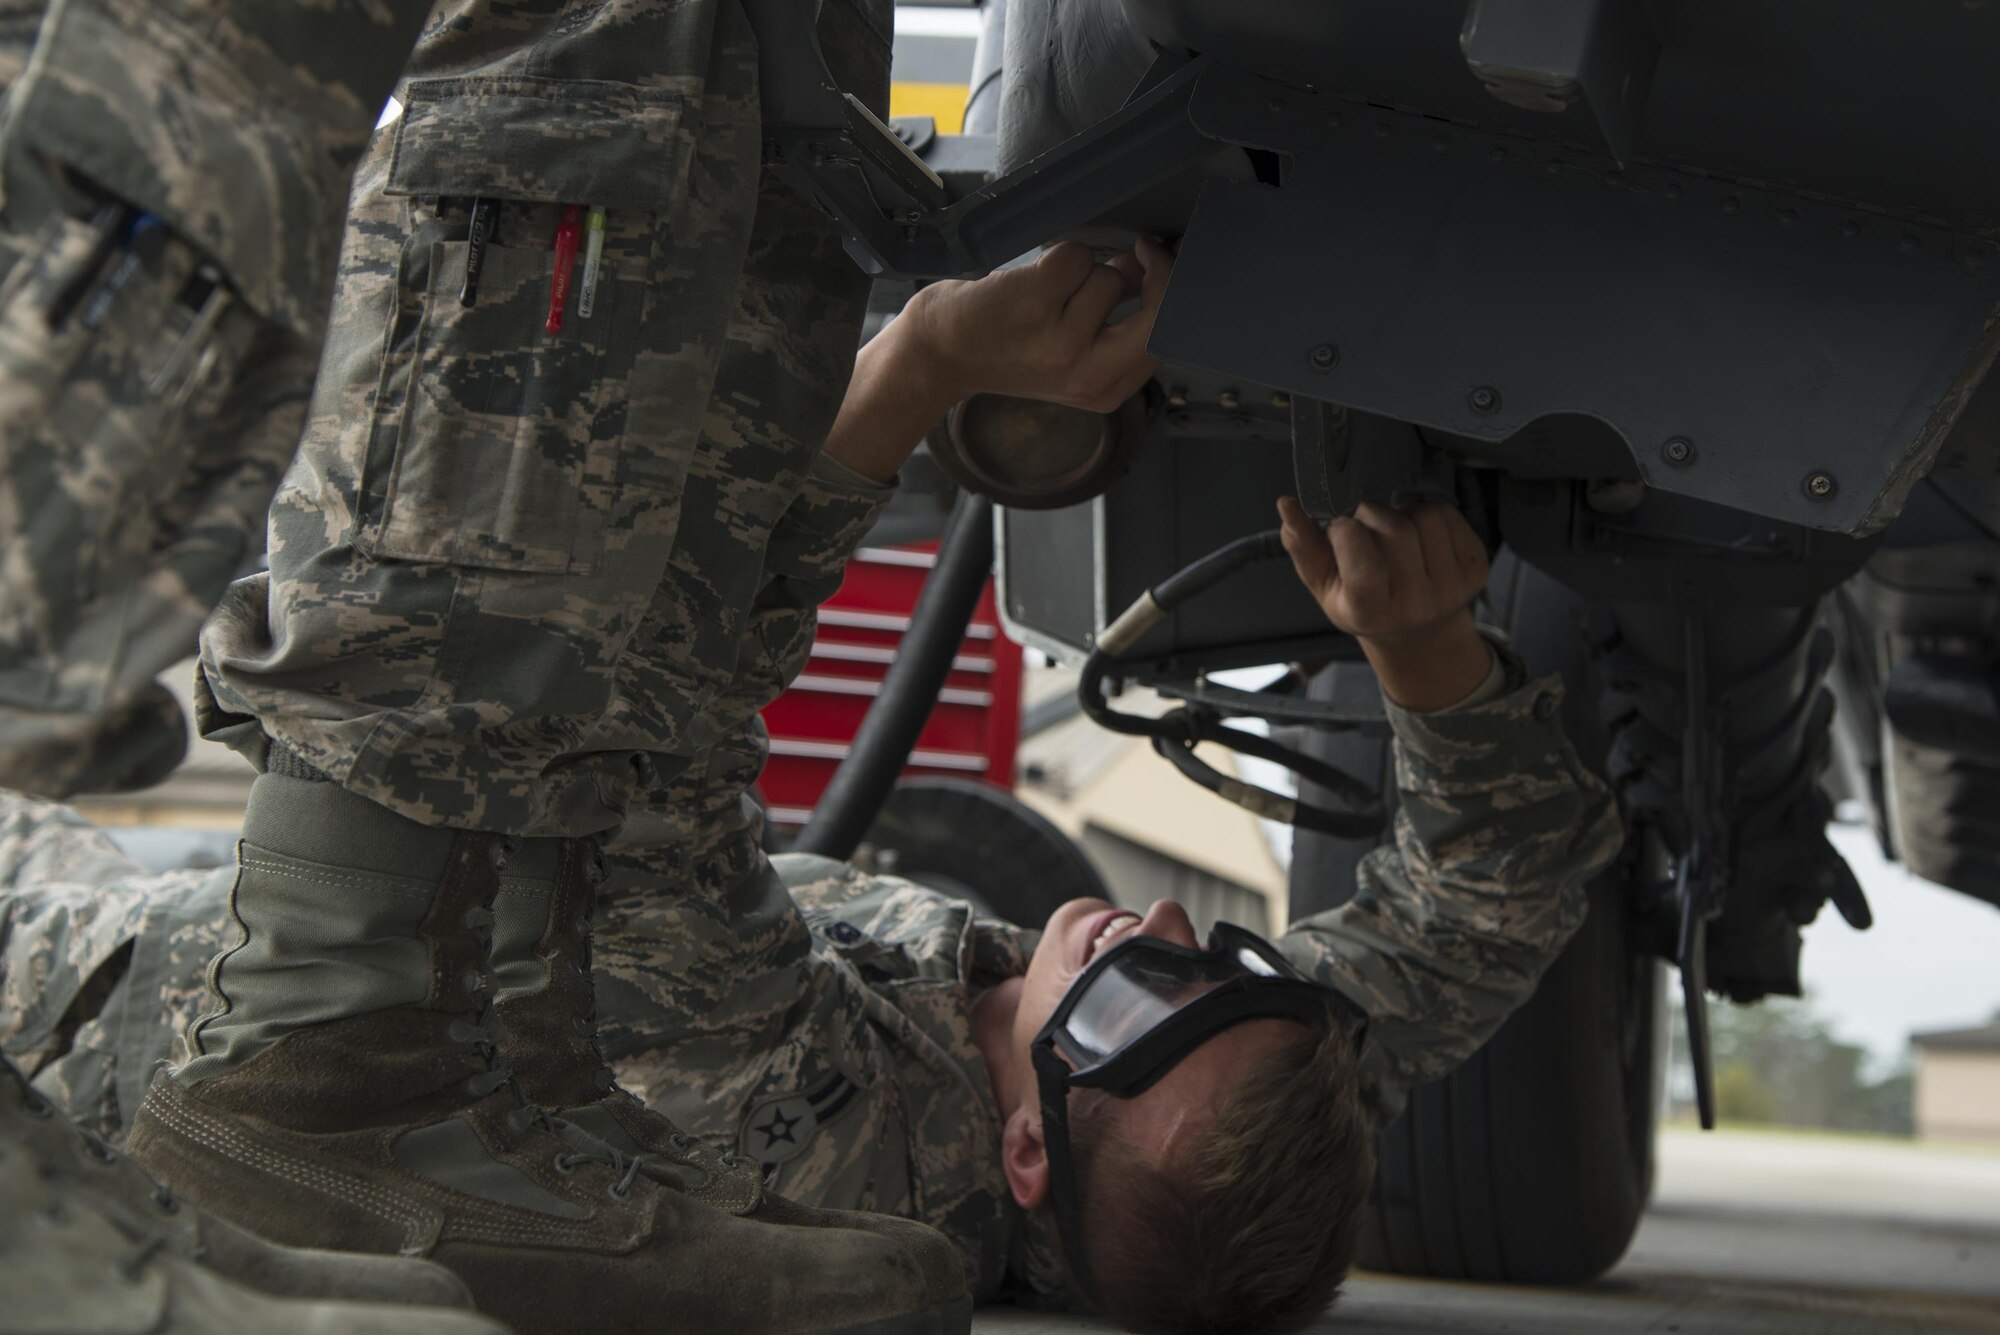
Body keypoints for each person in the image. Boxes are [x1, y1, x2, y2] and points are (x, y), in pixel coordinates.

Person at [3, 288, 1622, 1333]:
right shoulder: (1192, 1103)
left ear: (1020, 1158)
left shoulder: (807, 1113)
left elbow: (666, 700)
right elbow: (1481, 912)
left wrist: (921, 364)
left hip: (67, 995)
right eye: (1242, 964)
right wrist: (1427, 656)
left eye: (1147, 985)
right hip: (164, 907)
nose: (1177, 929)